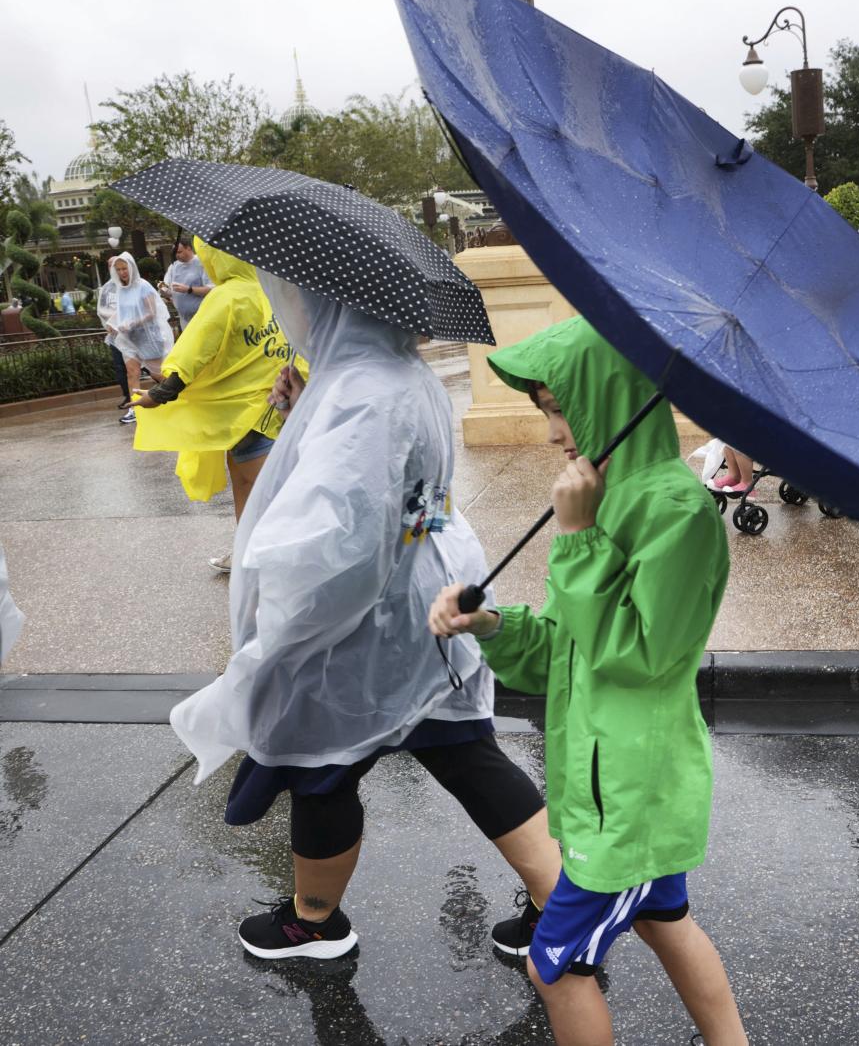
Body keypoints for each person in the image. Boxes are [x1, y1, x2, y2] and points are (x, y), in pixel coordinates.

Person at [168, 273, 561, 962]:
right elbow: (418, 501)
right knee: (469, 754)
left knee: (322, 758)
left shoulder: (361, 393)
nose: (293, 305)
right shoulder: (401, 377)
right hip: (424, 600)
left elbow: (341, 537)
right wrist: (304, 414)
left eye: (299, 294)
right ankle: (562, 907)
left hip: (367, 623)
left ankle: (315, 920)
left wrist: (282, 623)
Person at [429, 317, 747, 1046]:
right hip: (615, 789)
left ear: (608, 397)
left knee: (555, 963)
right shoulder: (608, 494)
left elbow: (633, 653)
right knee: (668, 923)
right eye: (545, 406)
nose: (551, 431)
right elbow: (563, 652)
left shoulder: (675, 510)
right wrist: (492, 626)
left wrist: (576, 539)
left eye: (557, 405)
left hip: (629, 798)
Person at [127, 238, 294, 571]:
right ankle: (248, 551)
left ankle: (266, 558)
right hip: (279, 406)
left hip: (240, 415)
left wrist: (160, 394)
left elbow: (195, 351)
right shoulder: (272, 291)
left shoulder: (226, 297)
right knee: (255, 485)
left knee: (257, 489)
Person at [106, 252, 173, 421]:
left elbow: (151, 312)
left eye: (125, 268)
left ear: (131, 267)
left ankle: (178, 394)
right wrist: (112, 322)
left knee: (158, 374)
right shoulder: (121, 289)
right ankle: (134, 409)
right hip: (129, 338)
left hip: (149, 338)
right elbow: (122, 312)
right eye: (119, 269)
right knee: (131, 372)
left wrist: (133, 322)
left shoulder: (143, 286)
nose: (122, 272)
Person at [95, 256, 134, 421]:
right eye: (114, 267)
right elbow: (101, 309)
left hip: (132, 334)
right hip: (115, 335)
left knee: (139, 368)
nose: (118, 270)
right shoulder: (106, 289)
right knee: (123, 369)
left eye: (120, 267)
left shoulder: (132, 285)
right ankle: (129, 398)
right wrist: (112, 322)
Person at [160, 238, 213, 330]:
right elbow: (167, 287)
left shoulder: (201, 263)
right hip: (184, 319)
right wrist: (162, 289)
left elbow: (211, 289)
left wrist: (189, 289)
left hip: (203, 316)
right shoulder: (174, 266)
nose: (177, 255)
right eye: (175, 253)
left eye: (179, 252)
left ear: (188, 248)